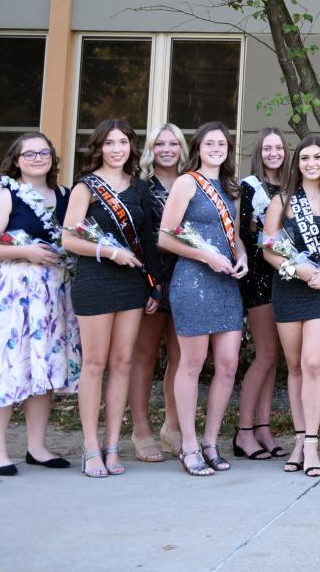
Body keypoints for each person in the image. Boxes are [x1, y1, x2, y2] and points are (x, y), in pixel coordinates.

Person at [0, 132, 79, 476]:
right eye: (29, 154)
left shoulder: (64, 195)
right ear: (17, 159)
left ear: (52, 159)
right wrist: (24, 251)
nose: (37, 158)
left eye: (44, 153)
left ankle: (37, 447)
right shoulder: (6, 194)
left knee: (44, 366)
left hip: (54, 292)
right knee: (5, 364)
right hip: (13, 291)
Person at [61, 119, 160, 477]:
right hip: (96, 281)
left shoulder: (139, 189)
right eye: (109, 143)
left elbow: (148, 241)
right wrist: (107, 251)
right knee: (95, 364)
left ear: (132, 147)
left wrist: (154, 285)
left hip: (132, 285)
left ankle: (113, 445)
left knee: (122, 364)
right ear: (98, 148)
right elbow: (69, 239)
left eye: (123, 143)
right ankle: (90, 447)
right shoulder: (85, 187)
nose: (117, 149)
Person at [261, 134, 320, 479]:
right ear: (296, 163)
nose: (311, 163)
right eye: (304, 158)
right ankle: (300, 439)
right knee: (296, 367)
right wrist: (297, 269)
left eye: (317, 157)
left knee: (314, 362)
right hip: (289, 288)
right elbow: (268, 248)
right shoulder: (282, 201)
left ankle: (313, 444)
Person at [157, 121, 247, 476]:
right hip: (193, 280)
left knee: (227, 364)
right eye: (209, 142)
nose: (216, 147)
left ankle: (211, 441)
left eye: (222, 143)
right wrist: (205, 256)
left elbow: (235, 237)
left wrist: (239, 255)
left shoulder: (231, 188)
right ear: (198, 147)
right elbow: (165, 238)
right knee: (191, 365)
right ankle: (189, 445)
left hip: (226, 284)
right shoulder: (186, 182)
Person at [130, 123, 186, 461]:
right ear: (152, 149)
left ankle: (172, 427)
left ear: (182, 148)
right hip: (149, 278)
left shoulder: (192, 182)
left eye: (173, 143)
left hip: (187, 276)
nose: (167, 148)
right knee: (144, 356)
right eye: (160, 143)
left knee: (181, 358)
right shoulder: (139, 187)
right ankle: (140, 429)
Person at [234, 127, 286, 461]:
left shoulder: (293, 187)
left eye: (278, 148)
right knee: (265, 353)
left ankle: (264, 428)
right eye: (267, 148)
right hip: (260, 276)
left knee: (274, 357)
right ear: (259, 152)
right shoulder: (250, 187)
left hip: (287, 275)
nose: (273, 153)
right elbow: (243, 234)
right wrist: (274, 242)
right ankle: (243, 432)